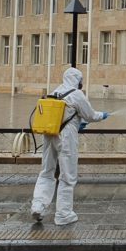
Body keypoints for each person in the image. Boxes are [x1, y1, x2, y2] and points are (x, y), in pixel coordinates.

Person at [31, 67, 110, 225]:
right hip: (66, 138)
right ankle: (63, 214)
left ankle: (38, 206)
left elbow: (65, 114)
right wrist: (102, 115)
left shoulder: (56, 91)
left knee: (47, 171)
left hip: (49, 134)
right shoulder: (77, 94)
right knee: (67, 175)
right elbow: (90, 115)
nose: (81, 84)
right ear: (78, 80)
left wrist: (77, 123)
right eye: (81, 81)